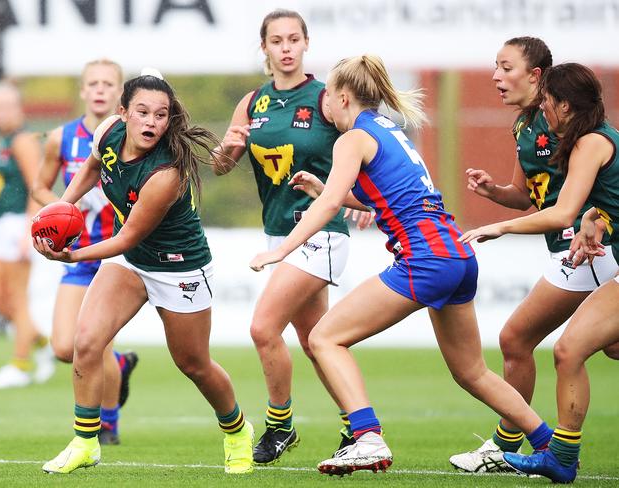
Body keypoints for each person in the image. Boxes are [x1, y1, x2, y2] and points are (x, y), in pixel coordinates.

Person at [249, 54, 554, 476]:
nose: (325, 108)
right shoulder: (388, 130)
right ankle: (552, 448)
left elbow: (331, 205)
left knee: (324, 339)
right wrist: (324, 187)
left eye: (327, 100)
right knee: (472, 372)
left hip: (425, 259)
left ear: (341, 97)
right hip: (458, 255)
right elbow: (379, 197)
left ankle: (367, 437)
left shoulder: (351, 138)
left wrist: (280, 251)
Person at [34, 71, 253, 475]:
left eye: (161, 115)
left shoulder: (166, 173)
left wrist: (71, 255)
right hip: (131, 263)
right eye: (143, 112)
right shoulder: (107, 133)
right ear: (123, 113)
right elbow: (91, 167)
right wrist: (59, 210)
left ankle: (237, 431)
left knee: (193, 364)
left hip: (178, 266)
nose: (152, 122)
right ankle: (85, 442)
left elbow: (127, 236)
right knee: (86, 341)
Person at [449, 38, 619, 474]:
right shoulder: (527, 128)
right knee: (544, 343)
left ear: (542, 82)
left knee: (557, 347)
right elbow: (530, 199)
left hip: (590, 253)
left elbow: (566, 209)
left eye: (505, 67)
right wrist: (496, 195)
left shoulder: (587, 139)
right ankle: (532, 449)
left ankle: (544, 452)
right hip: (583, 250)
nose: (495, 77)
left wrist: (498, 228)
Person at [213, 9, 372, 464]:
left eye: (293, 39)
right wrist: (227, 151)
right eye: (276, 40)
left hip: (321, 232)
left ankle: (280, 426)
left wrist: (363, 201)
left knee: (263, 328)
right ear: (263, 47)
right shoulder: (253, 102)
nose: (285, 48)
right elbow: (223, 165)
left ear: (306, 43)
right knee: (317, 340)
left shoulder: (326, 98)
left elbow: (365, 149)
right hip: (279, 230)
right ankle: (355, 428)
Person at [31, 59, 138, 446]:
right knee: (63, 347)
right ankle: (121, 366)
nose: (99, 90)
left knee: (97, 341)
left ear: (119, 92)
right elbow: (40, 190)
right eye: (92, 83)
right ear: (82, 90)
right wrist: (66, 205)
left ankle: (107, 423)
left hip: (116, 255)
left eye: (108, 84)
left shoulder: (132, 135)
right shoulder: (61, 137)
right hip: (74, 255)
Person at [0, 80, 55, 389]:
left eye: (7, 106)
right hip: (0, 225)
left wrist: (30, 229)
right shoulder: (0, 140)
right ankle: (41, 342)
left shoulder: (23, 140)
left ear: (19, 108)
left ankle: (20, 363)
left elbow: (36, 187)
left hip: (17, 225)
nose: (0, 112)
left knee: (16, 296)